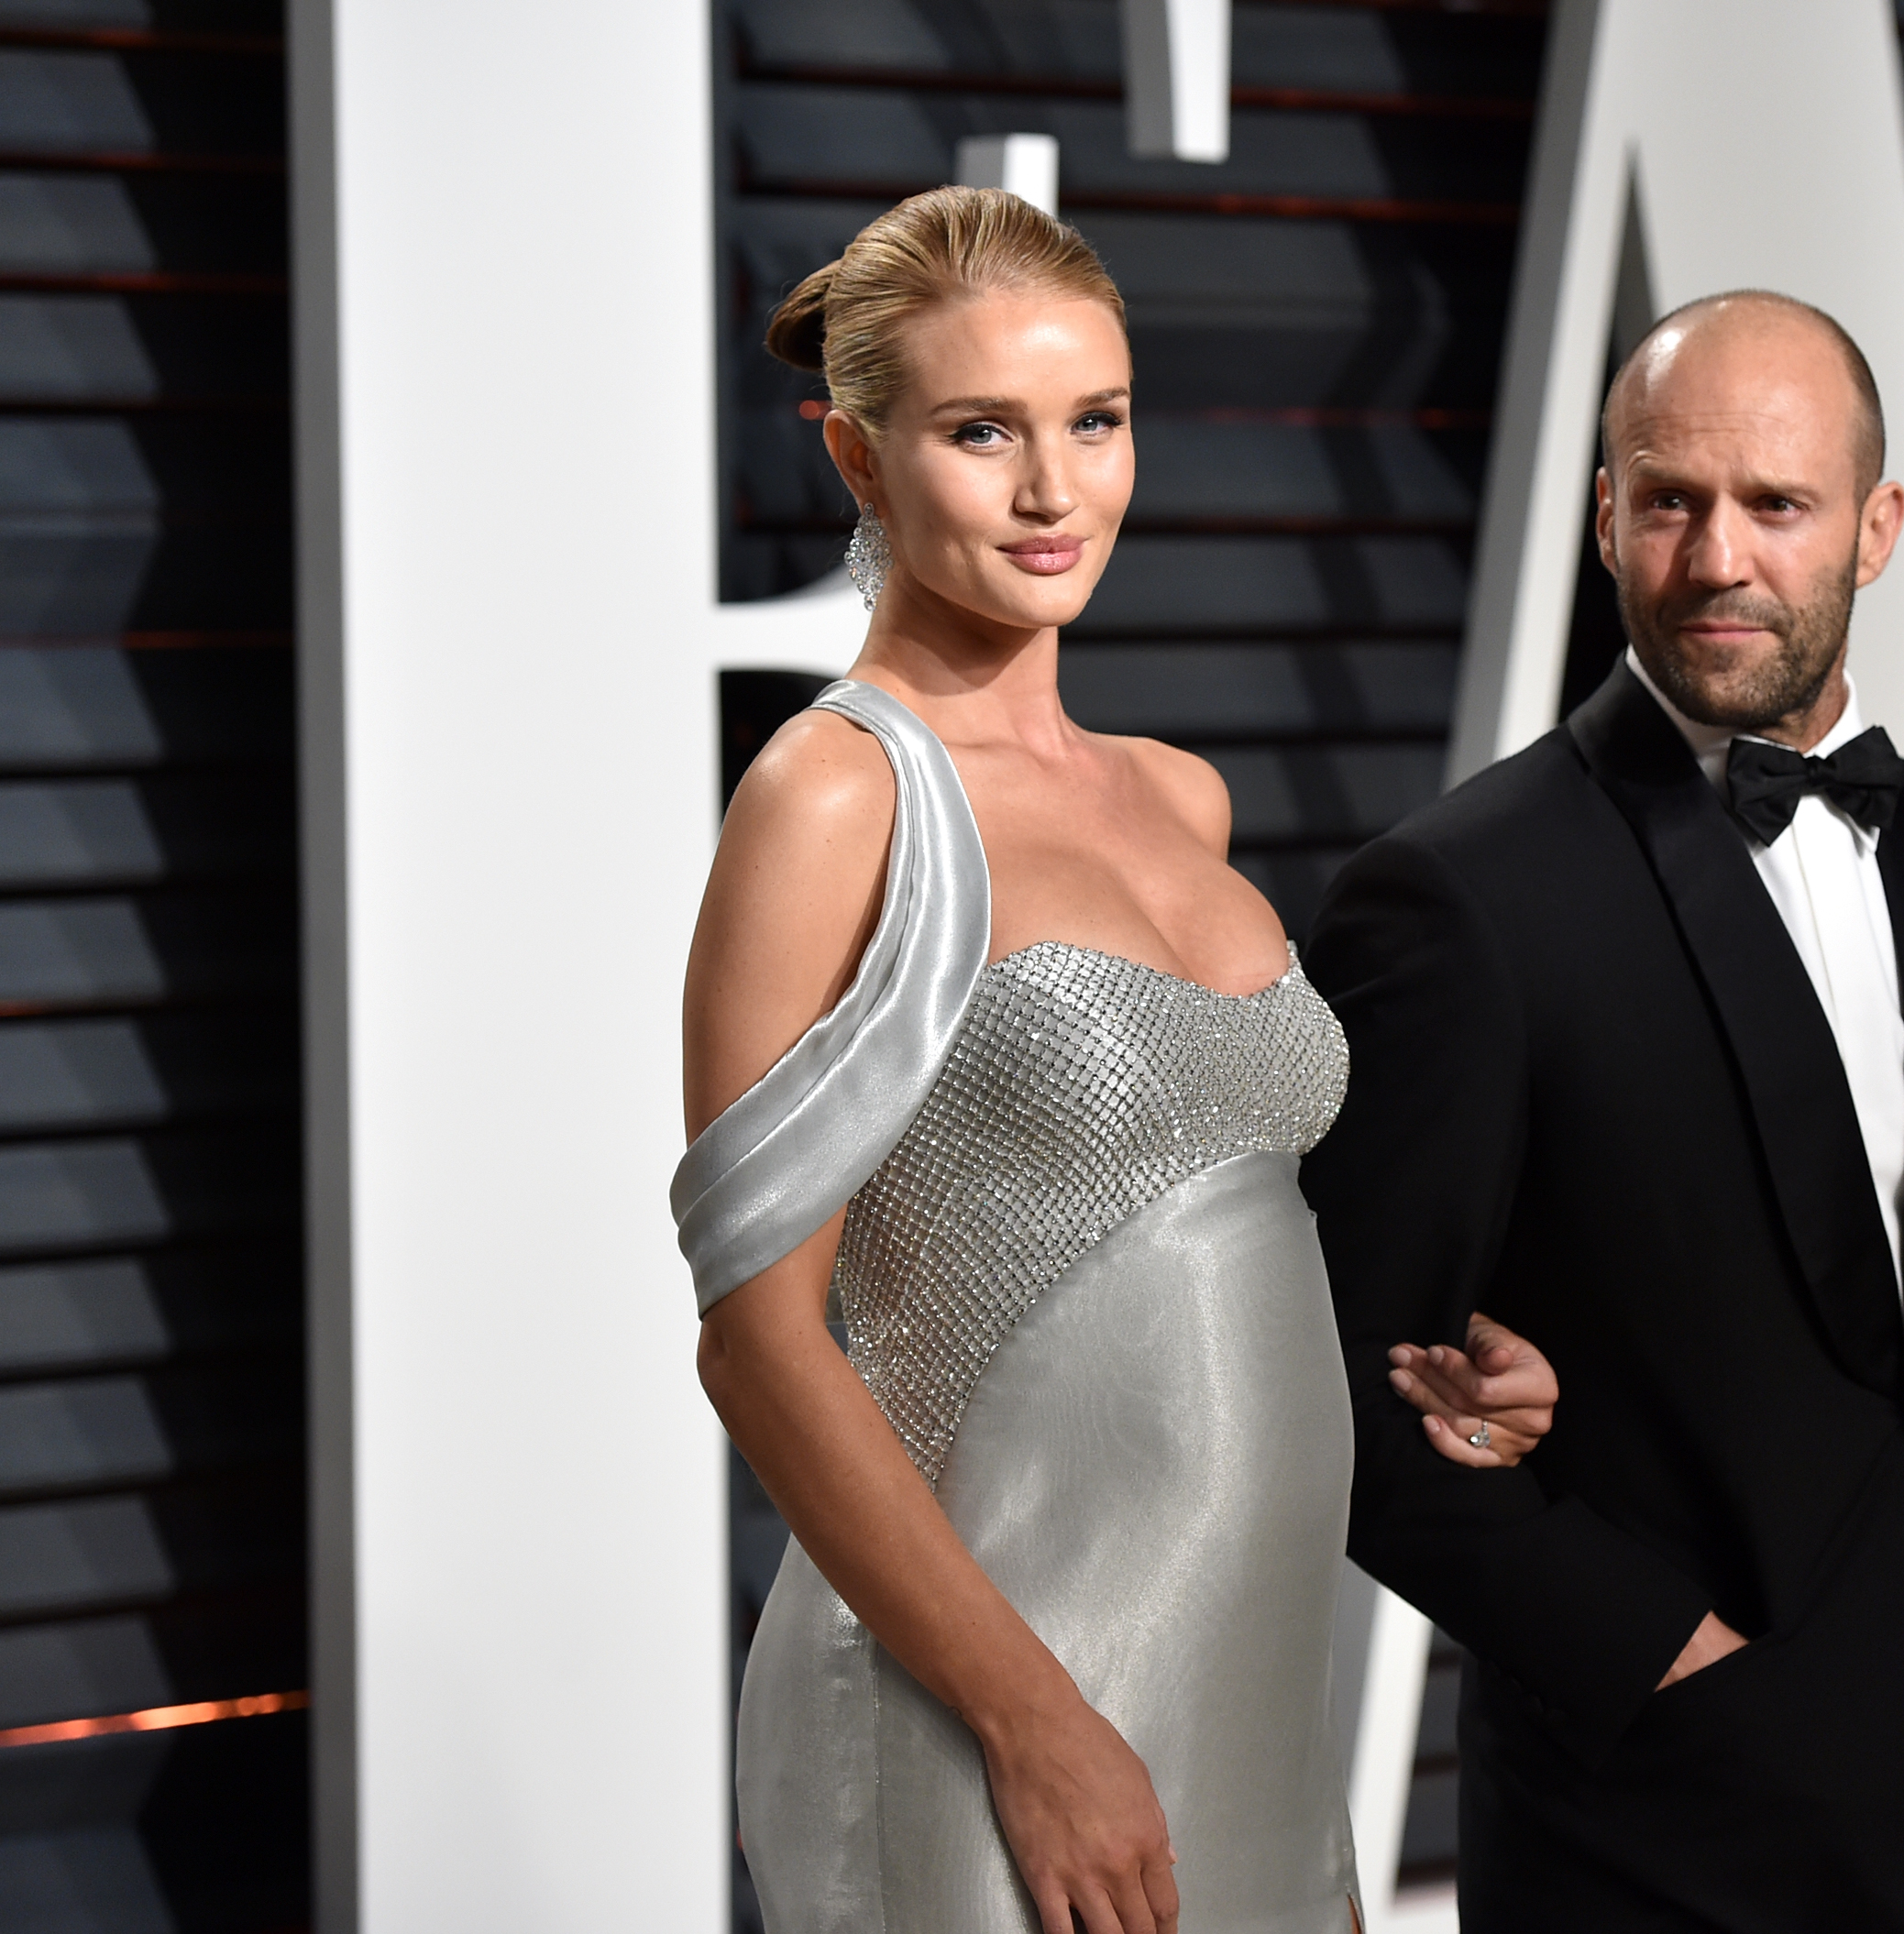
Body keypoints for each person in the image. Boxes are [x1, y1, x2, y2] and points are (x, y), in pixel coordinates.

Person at [671, 187, 1550, 1934]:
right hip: (993, 1703)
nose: (1054, 489)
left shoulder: (1179, 796)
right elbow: (759, 1345)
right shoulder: (836, 796)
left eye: (1097, 421)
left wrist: (1436, 1374)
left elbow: (1204, 1248)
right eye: (981, 431)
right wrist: (1034, 1723)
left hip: (1251, 1690)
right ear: (855, 454)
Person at [1300, 291, 1904, 1932]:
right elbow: (1338, 1386)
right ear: (1605, 519)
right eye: (1670, 501)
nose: (1718, 558)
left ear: (1877, 527)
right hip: (1663, 1824)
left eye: (1776, 504)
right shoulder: (1455, 898)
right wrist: (1658, 1655)